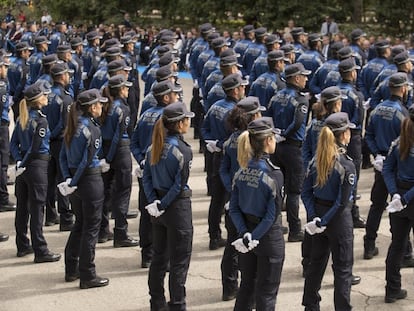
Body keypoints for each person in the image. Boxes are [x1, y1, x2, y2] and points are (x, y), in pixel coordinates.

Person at [302, 112, 356, 311]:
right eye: (348, 130)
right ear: (343, 135)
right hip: (338, 220)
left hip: (319, 215)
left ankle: (310, 305)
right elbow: (342, 202)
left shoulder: (316, 161)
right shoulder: (346, 165)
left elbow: (305, 192)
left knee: (316, 264)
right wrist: (322, 220)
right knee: (342, 270)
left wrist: (314, 217)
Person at [142, 101, 194, 310]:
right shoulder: (183, 150)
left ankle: (157, 302)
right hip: (176, 208)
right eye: (187, 119)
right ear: (180, 123)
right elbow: (179, 184)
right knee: (179, 262)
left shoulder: (154, 146)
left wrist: (154, 202)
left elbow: (146, 178)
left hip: (158, 208)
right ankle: (177, 305)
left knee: (159, 259)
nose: (189, 122)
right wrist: (162, 203)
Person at [230, 116, 285, 310]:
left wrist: (245, 233)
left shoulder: (241, 171)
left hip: (246, 235)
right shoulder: (274, 174)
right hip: (268, 237)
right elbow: (272, 214)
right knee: (266, 293)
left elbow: (234, 208)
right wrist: (253, 236)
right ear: (268, 140)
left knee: (246, 287)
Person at [59, 89, 109, 289]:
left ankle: (71, 268)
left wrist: (69, 180)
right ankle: (87, 274)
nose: (101, 107)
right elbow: (86, 161)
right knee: (91, 228)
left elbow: (63, 157)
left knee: (79, 225)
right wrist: (74, 181)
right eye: (99, 104)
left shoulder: (73, 125)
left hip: (76, 183)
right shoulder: (92, 129)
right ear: (91, 107)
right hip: (89, 181)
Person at [130, 80, 182, 268]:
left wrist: (142, 160)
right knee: (163, 213)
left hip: (147, 170)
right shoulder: (167, 118)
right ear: (166, 97)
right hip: (161, 174)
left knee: (147, 212)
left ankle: (147, 253)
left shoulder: (145, 115)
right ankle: (161, 255)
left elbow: (134, 142)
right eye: (174, 94)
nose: (177, 97)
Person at [219, 96, 265, 303]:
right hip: (250, 202)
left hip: (235, 200)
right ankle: (249, 291)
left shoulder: (230, 139)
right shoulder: (250, 141)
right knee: (251, 248)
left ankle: (229, 286)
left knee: (232, 245)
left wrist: (232, 188)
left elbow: (223, 169)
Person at [10, 81, 61, 263]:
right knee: (37, 208)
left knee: (23, 207)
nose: (47, 97)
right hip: (36, 165)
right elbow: (35, 148)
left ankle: (22, 244)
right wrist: (22, 162)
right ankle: (40, 249)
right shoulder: (41, 121)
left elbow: (13, 144)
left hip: (24, 167)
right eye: (44, 95)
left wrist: (18, 163)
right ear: (37, 100)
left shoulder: (22, 118)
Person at [364, 72, 411, 262]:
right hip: (395, 168)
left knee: (377, 206)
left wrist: (377, 155)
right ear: (403, 89)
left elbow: (368, 136)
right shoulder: (403, 114)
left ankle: (369, 245)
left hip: (380, 164)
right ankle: (406, 253)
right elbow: (406, 143)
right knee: (400, 209)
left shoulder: (376, 110)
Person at [201, 73, 248, 250]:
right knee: (231, 199)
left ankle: (214, 236)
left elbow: (204, 128)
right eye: (242, 87)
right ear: (235, 90)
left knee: (217, 200)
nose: (244, 89)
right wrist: (219, 144)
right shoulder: (236, 111)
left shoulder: (215, 106)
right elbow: (235, 138)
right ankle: (232, 236)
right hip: (231, 158)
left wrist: (211, 143)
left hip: (217, 156)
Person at [268, 63, 310, 242]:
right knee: (294, 191)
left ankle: (275, 225)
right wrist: (285, 134)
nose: (306, 79)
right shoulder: (301, 99)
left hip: (276, 146)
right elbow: (299, 122)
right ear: (296, 78)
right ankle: (295, 229)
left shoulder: (276, 96)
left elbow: (268, 116)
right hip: (293, 148)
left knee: (278, 189)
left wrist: (276, 133)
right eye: (304, 76)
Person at [99, 74, 138, 248]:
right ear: (120, 90)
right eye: (126, 88)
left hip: (107, 150)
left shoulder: (106, 105)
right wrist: (109, 157)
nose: (128, 90)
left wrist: (104, 157)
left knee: (105, 192)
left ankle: (102, 230)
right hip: (119, 151)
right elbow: (118, 135)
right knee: (122, 192)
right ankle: (121, 233)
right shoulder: (122, 108)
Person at [382, 105, 414, 303]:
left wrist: (395, 194)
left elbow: (387, 169)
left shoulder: (398, 142)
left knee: (397, 246)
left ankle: (392, 289)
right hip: (407, 198)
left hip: (400, 199)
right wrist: (402, 197)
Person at [44, 62, 74, 230]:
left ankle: (50, 215)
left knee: (49, 180)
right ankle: (66, 218)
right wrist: (52, 135)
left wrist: (47, 137)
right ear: (62, 76)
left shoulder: (46, 94)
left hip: (47, 142)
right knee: (63, 179)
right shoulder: (65, 97)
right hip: (60, 142)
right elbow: (65, 125)